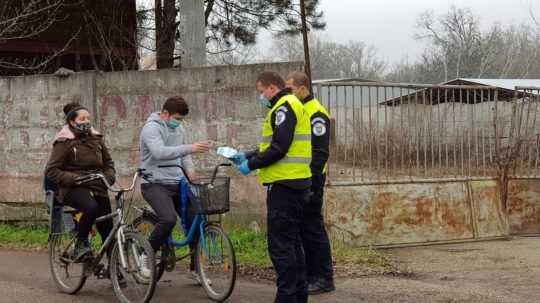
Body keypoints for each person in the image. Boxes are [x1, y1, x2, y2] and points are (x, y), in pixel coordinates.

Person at [232, 71, 312, 303]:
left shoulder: (284, 107)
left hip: (285, 186)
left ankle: (286, 298)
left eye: (261, 92)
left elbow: (279, 148)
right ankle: (298, 297)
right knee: (293, 244)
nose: (260, 97)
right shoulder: (289, 105)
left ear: (271, 88)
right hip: (293, 183)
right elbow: (273, 145)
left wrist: (251, 165)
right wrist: (245, 155)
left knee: (281, 248)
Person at [139, 96, 211, 282]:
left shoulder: (179, 128)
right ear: (165, 114)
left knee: (197, 219)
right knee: (168, 219)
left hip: (178, 183)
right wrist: (190, 148)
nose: (179, 122)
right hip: (154, 183)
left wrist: (191, 171)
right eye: (177, 118)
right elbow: (159, 152)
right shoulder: (151, 128)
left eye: (181, 119)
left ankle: (196, 269)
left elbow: (184, 155)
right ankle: (145, 255)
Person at [45, 102, 116, 262]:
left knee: (108, 228)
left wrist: (109, 177)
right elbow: (52, 171)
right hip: (74, 187)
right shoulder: (64, 142)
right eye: (82, 118)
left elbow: (108, 163)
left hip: (98, 185)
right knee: (91, 208)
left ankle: (115, 268)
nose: (86, 121)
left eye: (88, 118)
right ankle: (80, 244)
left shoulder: (97, 139)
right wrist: (75, 179)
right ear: (72, 122)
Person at [286, 71, 335, 294]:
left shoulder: (316, 114)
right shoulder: (302, 110)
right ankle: (310, 274)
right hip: (302, 179)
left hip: (312, 179)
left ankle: (324, 278)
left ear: (303, 88)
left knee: (314, 228)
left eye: (292, 89)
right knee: (304, 229)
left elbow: (320, 152)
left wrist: (313, 183)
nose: (290, 93)